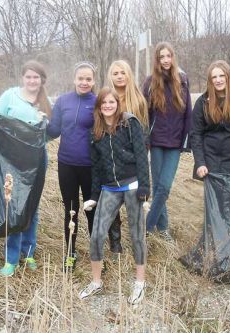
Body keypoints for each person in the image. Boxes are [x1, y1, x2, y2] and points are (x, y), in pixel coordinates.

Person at [181, 60, 230, 279]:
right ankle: (215, 260)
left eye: (221, 76)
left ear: (228, 76)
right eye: (214, 77)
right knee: (215, 215)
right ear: (210, 80)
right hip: (212, 166)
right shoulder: (202, 103)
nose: (218, 80)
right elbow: (196, 135)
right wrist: (200, 163)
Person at [79, 87, 149, 305]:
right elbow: (97, 167)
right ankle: (96, 282)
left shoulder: (130, 123)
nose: (108, 106)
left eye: (112, 102)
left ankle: (140, 283)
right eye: (104, 103)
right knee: (97, 235)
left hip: (132, 186)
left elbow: (141, 157)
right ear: (99, 107)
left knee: (137, 235)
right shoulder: (96, 131)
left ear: (117, 104)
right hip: (109, 188)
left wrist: (145, 189)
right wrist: (93, 195)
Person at [0, 60, 51, 276]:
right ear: (22, 78)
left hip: (37, 159)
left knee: (32, 207)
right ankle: (11, 258)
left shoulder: (45, 102)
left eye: (36, 77)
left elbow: (50, 133)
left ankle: (28, 253)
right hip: (13, 159)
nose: (32, 80)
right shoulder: (10, 96)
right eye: (28, 76)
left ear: (42, 80)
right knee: (14, 206)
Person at [46, 61, 97, 271]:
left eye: (88, 79)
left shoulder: (98, 101)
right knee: (71, 210)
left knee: (92, 210)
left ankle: (97, 253)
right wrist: (37, 125)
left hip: (91, 166)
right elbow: (54, 130)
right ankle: (70, 253)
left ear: (93, 81)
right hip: (66, 163)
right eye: (80, 78)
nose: (84, 82)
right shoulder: (63, 101)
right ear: (74, 79)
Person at [142, 42, 192, 241]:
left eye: (168, 56)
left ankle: (146, 228)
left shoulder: (183, 80)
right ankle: (163, 230)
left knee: (164, 187)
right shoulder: (149, 82)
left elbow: (188, 113)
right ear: (157, 60)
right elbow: (144, 114)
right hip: (155, 142)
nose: (165, 60)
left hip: (175, 142)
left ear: (173, 58)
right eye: (161, 57)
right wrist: (145, 139)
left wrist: (187, 141)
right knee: (158, 188)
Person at [105, 59, 149, 258]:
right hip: (111, 160)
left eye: (123, 72)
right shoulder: (106, 99)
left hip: (132, 160)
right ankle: (115, 245)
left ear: (129, 75)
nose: (120, 76)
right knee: (112, 204)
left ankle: (138, 244)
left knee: (134, 204)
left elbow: (144, 133)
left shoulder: (138, 100)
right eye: (115, 73)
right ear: (110, 77)